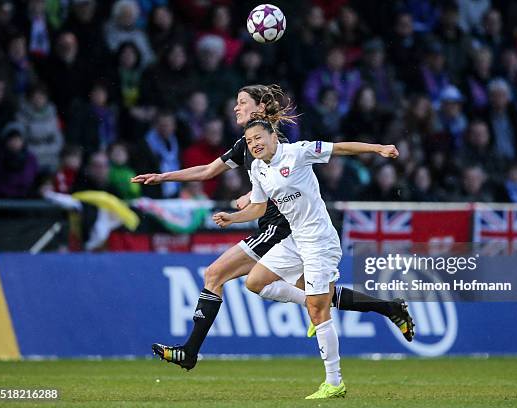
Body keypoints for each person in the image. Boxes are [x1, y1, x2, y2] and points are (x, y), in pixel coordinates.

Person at [131, 84, 414, 372]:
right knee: (319, 294)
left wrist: (378, 148)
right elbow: (206, 171)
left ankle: (190, 352)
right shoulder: (245, 145)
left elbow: (286, 175)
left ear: (261, 108)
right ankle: (389, 308)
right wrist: (163, 177)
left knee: (215, 274)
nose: (236, 108)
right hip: (270, 225)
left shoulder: (274, 143)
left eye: (242, 102)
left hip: (283, 228)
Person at [211, 114, 400, 398]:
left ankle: (334, 382)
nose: (254, 145)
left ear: (273, 136)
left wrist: (377, 148)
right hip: (295, 239)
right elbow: (258, 209)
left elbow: (340, 148)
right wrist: (233, 218)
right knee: (255, 282)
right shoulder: (259, 171)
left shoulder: (297, 152)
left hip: (319, 240)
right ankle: (314, 303)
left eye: (258, 138)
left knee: (318, 310)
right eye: (249, 141)